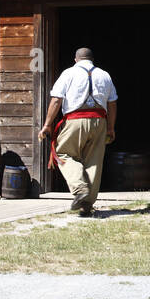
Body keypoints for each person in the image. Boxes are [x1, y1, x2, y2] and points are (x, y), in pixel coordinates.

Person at [39, 48, 118, 216]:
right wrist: (111, 127)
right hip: (100, 122)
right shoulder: (104, 75)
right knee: (94, 161)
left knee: (63, 153)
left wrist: (47, 124)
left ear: (76, 59)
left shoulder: (69, 73)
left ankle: (80, 188)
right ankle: (87, 204)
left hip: (75, 120)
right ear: (92, 59)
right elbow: (112, 103)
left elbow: (56, 100)